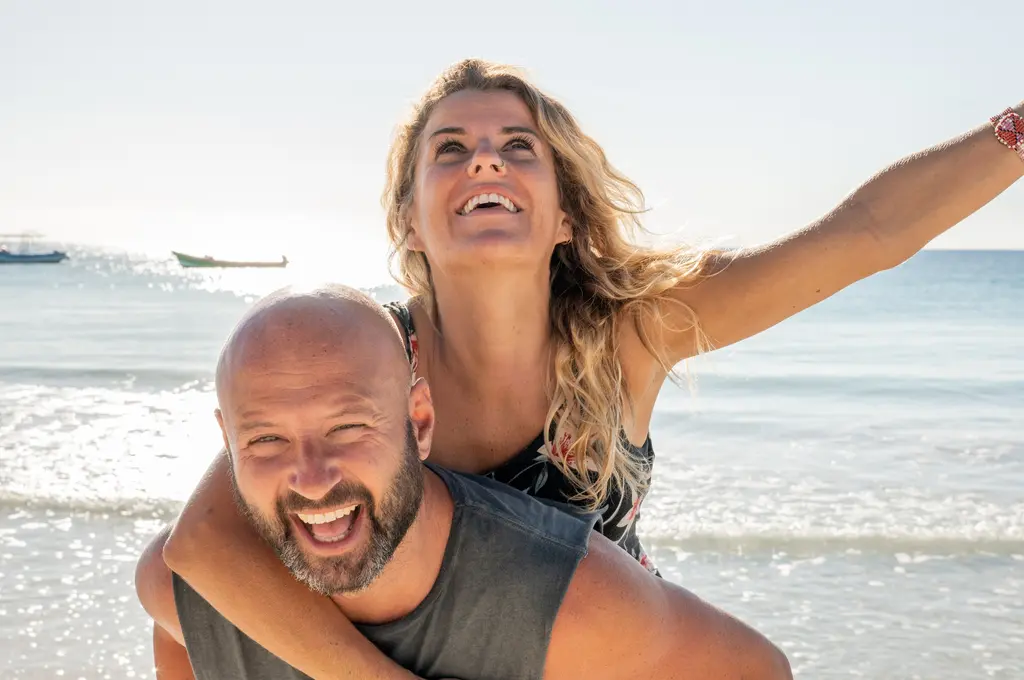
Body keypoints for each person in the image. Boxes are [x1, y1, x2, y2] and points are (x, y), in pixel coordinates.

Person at [150, 59, 1024, 679]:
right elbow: (202, 542)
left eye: (516, 146)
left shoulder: (632, 336)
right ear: (409, 221)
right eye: (448, 149)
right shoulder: (367, 355)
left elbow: (866, 234)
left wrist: (1016, 132)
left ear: (564, 212)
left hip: (590, 654)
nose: (483, 158)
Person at [135, 285, 792, 680]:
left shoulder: (560, 600)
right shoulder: (184, 592)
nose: (310, 478)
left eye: (346, 429)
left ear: (419, 422)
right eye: (266, 439)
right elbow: (175, 631)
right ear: (228, 444)